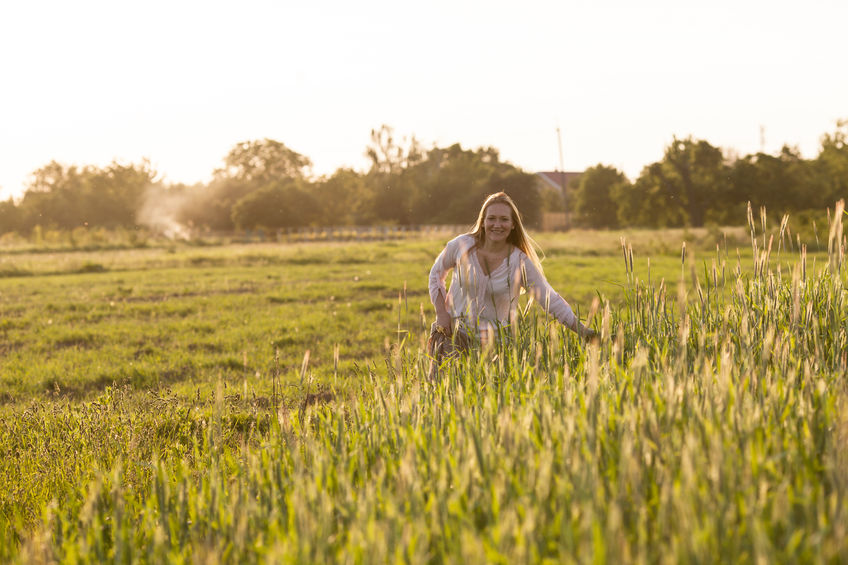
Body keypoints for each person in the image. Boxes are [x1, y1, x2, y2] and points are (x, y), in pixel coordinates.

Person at [427, 192, 596, 371]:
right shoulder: (461, 245)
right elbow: (435, 276)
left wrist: (584, 332)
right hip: (453, 337)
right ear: (483, 221)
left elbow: (550, 299)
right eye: (491, 218)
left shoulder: (519, 261)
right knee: (442, 395)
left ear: (513, 224)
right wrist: (441, 314)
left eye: (504, 219)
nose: (497, 225)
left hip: (495, 349)